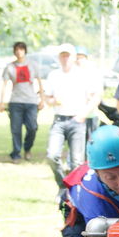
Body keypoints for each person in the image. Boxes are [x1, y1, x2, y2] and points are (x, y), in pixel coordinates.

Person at [44, 44, 101, 191]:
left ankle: (76, 191)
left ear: (74, 57)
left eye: (68, 55)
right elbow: (47, 98)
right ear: (59, 57)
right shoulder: (54, 75)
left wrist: (83, 114)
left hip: (77, 120)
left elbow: (95, 97)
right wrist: (53, 101)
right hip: (59, 119)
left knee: (77, 162)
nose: (65, 58)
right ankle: (63, 185)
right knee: (52, 155)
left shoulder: (82, 75)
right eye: (62, 55)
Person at [0, 41, 43, 161]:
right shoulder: (10, 67)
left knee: (32, 127)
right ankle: (16, 153)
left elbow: (39, 82)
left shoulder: (33, 65)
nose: (19, 52)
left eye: (21, 49)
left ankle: (27, 148)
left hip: (31, 101)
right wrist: (1, 101)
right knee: (15, 129)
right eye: (17, 50)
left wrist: (42, 99)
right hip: (15, 101)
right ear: (14, 52)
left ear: (25, 51)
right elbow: (4, 84)